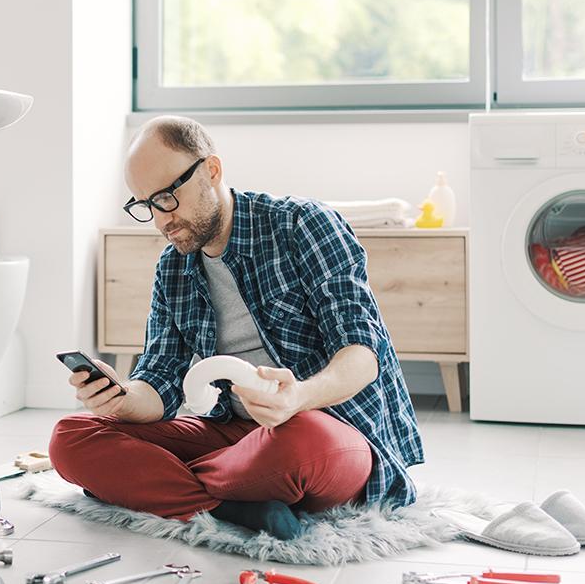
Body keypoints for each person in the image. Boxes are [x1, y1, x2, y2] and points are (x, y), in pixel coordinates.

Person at [48, 116, 423, 539]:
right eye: (146, 205)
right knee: (71, 437)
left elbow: (362, 354)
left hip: (321, 426)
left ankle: (167, 487)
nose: (160, 220)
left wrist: (298, 396)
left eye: (168, 196)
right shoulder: (173, 267)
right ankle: (230, 505)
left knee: (301, 446)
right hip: (233, 435)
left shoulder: (302, 225)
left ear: (211, 170)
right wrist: (120, 398)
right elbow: (158, 384)